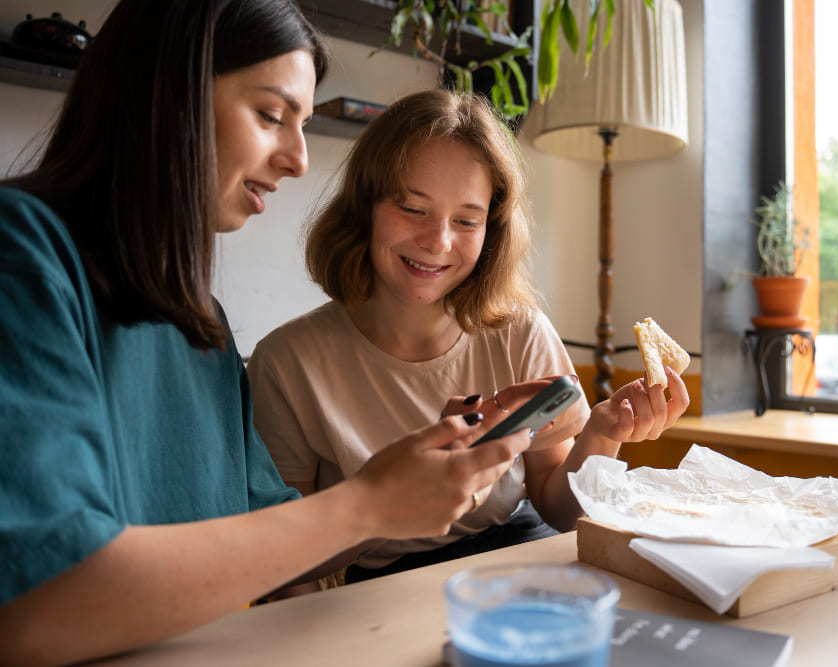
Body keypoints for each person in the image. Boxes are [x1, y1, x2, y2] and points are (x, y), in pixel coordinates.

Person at [0, 2, 536, 664]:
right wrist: (368, 505)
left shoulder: (202, 327)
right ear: (168, 95)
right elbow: (40, 603)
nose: (298, 159)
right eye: (270, 116)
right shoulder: (20, 252)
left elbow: (275, 542)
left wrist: (412, 487)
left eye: (304, 125)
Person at [247, 88, 690, 588]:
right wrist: (389, 506)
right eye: (412, 209)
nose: (438, 241)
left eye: (466, 220)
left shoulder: (519, 331)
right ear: (364, 206)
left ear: (491, 231)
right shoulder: (287, 363)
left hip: (521, 560)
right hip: (382, 589)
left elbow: (561, 509)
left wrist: (603, 434)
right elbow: (284, 561)